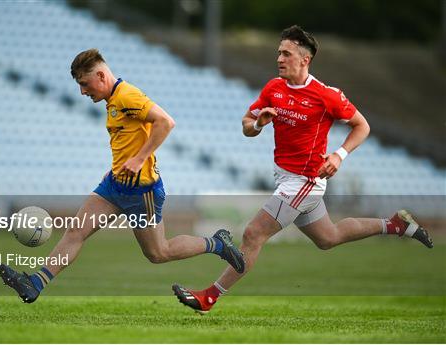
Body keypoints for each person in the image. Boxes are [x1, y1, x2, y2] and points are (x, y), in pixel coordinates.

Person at [172, 25, 433, 314]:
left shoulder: (326, 95)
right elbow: (247, 124)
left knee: (253, 234)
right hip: (285, 178)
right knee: (328, 238)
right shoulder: (274, 88)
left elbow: (363, 126)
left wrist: (339, 155)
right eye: (278, 53)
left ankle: (209, 297)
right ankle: (395, 224)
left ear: (304, 60)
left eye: (286, 53)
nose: (279, 59)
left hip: (306, 180)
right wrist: (259, 124)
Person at [0, 49, 244, 303]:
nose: (82, 91)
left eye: (84, 83)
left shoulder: (127, 96)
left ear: (101, 76)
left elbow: (166, 122)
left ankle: (217, 244)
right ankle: (35, 283)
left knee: (158, 252)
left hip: (142, 192)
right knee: (76, 231)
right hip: (114, 185)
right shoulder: (113, 101)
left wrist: (138, 159)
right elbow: (128, 139)